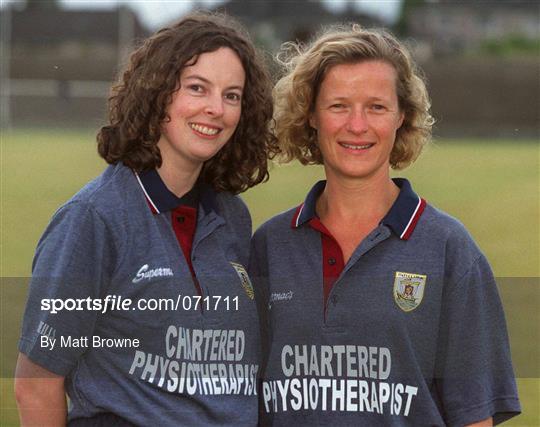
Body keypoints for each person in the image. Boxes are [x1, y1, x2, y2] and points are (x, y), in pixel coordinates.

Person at [15, 12, 277, 426]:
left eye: (232, 95)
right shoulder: (93, 221)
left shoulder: (233, 218)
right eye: (197, 88)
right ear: (157, 93)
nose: (215, 109)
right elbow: (36, 383)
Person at [250, 25, 521, 426]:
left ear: (401, 117)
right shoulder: (269, 246)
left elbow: (474, 417)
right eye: (338, 105)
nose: (357, 126)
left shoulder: (449, 249)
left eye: (376, 107)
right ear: (310, 115)